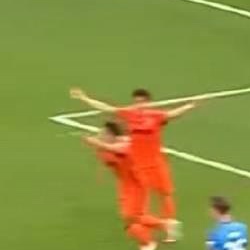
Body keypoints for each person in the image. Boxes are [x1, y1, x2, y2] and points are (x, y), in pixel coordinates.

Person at [69, 86, 196, 241]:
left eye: (142, 102)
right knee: (139, 200)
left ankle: (170, 226)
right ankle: (150, 224)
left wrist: (189, 106)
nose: (139, 105)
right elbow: (107, 108)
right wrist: (85, 98)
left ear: (148, 102)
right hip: (137, 164)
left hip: (156, 162)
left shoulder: (156, 116)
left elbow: (173, 114)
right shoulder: (129, 114)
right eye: (136, 102)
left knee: (165, 194)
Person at [81, 120, 167, 250]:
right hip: (125, 185)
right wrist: (97, 144)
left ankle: (148, 243)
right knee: (134, 217)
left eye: (104, 133)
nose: (100, 135)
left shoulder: (125, 144)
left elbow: (118, 150)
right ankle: (165, 225)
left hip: (137, 184)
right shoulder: (106, 147)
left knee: (131, 219)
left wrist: (96, 143)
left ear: (112, 134)